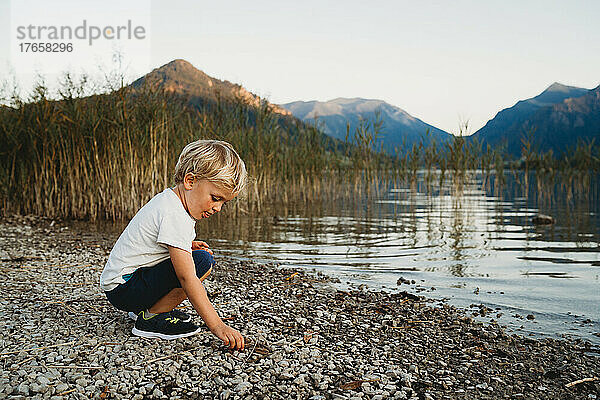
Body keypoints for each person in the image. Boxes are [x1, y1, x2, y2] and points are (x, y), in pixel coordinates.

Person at [100, 139, 246, 350]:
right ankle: (151, 317)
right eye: (215, 198)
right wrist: (217, 326)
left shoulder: (169, 201)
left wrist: (188, 244)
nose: (218, 208)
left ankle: (150, 308)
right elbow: (187, 278)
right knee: (202, 262)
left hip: (122, 285)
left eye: (224, 202)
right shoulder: (175, 214)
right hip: (125, 289)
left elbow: (152, 244)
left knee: (196, 255)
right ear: (190, 181)